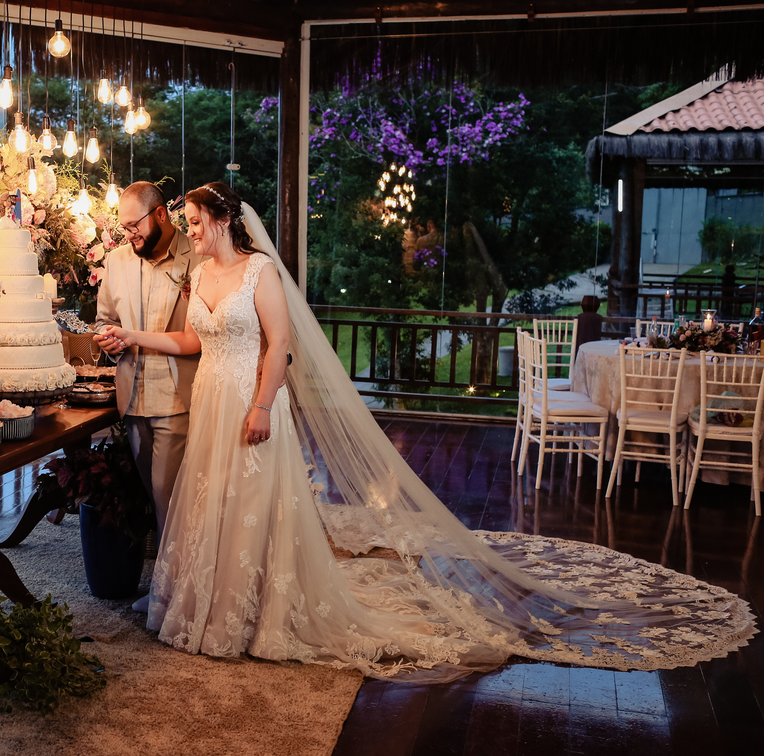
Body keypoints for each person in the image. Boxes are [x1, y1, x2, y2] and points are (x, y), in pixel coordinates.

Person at [99, 182, 754, 683]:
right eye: (183, 223)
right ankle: (202, 611)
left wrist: (265, 404)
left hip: (249, 401)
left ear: (220, 222)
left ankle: (252, 615)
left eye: (193, 222)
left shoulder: (259, 272)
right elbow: (189, 338)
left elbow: (281, 343)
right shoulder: (201, 275)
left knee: (249, 511)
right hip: (210, 400)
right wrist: (131, 336)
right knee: (207, 506)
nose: (188, 231)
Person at [94, 182, 203, 558]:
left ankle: (176, 593)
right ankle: (171, 584)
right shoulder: (117, 261)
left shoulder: (198, 257)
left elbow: (206, 334)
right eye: (123, 228)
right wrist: (107, 343)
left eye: (134, 225)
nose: (129, 235)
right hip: (132, 399)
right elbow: (103, 320)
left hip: (178, 397)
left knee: (168, 496)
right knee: (155, 498)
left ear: (160, 214)